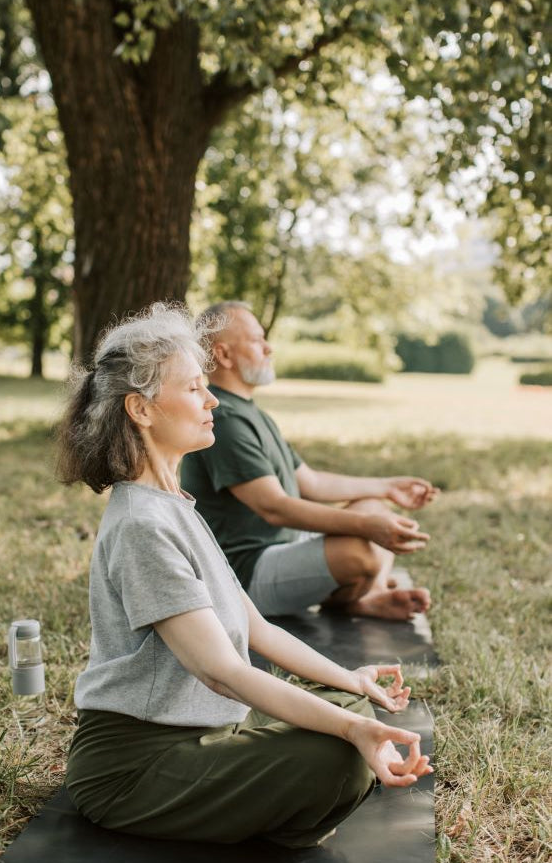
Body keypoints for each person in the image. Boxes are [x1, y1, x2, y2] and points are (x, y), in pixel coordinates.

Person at [56, 302, 432, 849]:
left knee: (350, 706)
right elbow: (222, 672)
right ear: (140, 409)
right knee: (340, 754)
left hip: (210, 731)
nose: (212, 401)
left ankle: (270, 797)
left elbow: (259, 629)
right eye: (193, 389)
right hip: (135, 767)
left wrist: (351, 682)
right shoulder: (141, 524)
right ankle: (273, 808)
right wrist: (352, 731)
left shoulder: (174, 505)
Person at [181, 301, 440, 621]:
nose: (268, 348)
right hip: (244, 575)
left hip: (283, 548)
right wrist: (366, 527)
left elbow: (312, 483)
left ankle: (365, 597)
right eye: (256, 340)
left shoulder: (251, 413)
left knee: (375, 507)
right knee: (362, 551)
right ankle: (361, 594)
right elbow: (273, 507)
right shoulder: (225, 420)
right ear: (223, 355)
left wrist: (387, 487)